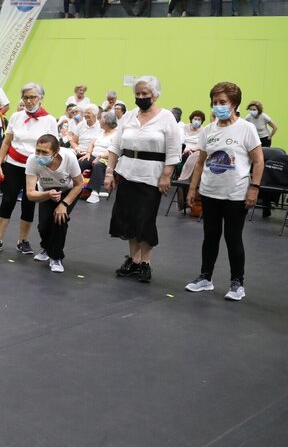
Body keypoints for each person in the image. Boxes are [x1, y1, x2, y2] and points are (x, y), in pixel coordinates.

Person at [184, 82, 264, 301]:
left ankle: (237, 283)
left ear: (234, 104)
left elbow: (258, 161)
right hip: (210, 192)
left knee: (233, 237)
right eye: (215, 102)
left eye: (223, 102)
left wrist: (254, 188)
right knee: (210, 236)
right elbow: (200, 162)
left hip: (235, 194)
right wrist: (192, 188)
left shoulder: (246, 128)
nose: (218, 106)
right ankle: (205, 278)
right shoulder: (208, 130)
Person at [104, 75, 182, 284]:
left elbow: (174, 151)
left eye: (144, 93)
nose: (140, 97)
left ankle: (146, 262)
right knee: (128, 217)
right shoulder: (128, 116)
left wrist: (166, 175)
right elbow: (115, 146)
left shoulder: (166, 117)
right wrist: (110, 172)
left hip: (151, 176)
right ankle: (134, 259)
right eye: (137, 94)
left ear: (155, 95)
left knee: (145, 219)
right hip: (127, 172)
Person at [0, 82, 58, 255]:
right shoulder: (16, 116)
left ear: (40, 98)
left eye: (33, 97)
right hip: (13, 164)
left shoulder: (49, 120)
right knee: (7, 201)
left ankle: (23, 241)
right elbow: (6, 142)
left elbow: (54, 147)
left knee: (29, 204)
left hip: (35, 167)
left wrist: (49, 170)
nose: (29, 101)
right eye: (25, 97)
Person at [26, 134, 85, 272]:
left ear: (55, 151)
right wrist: (47, 194)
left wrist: (64, 205)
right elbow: (30, 194)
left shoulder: (69, 157)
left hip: (67, 190)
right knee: (43, 226)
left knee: (59, 221)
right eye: (38, 151)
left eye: (45, 152)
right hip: (46, 191)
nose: (40, 155)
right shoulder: (32, 160)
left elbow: (79, 184)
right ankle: (47, 248)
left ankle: (56, 257)